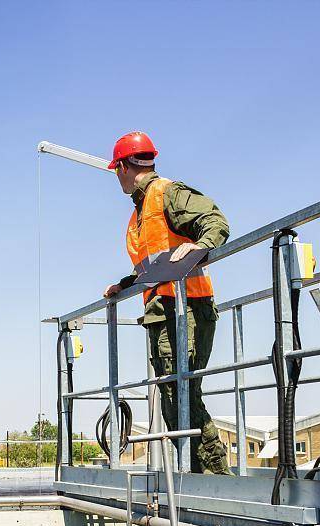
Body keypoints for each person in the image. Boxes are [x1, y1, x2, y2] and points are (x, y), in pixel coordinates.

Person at [102, 131, 231, 475]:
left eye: (117, 170)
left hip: (185, 308)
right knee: (174, 397)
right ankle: (200, 472)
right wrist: (126, 285)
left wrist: (201, 244)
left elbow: (216, 221)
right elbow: (152, 264)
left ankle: (215, 476)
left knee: (181, 394)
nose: (117, 177)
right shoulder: (141, 212)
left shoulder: (167, 193)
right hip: (163, 311)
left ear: (124, 167)